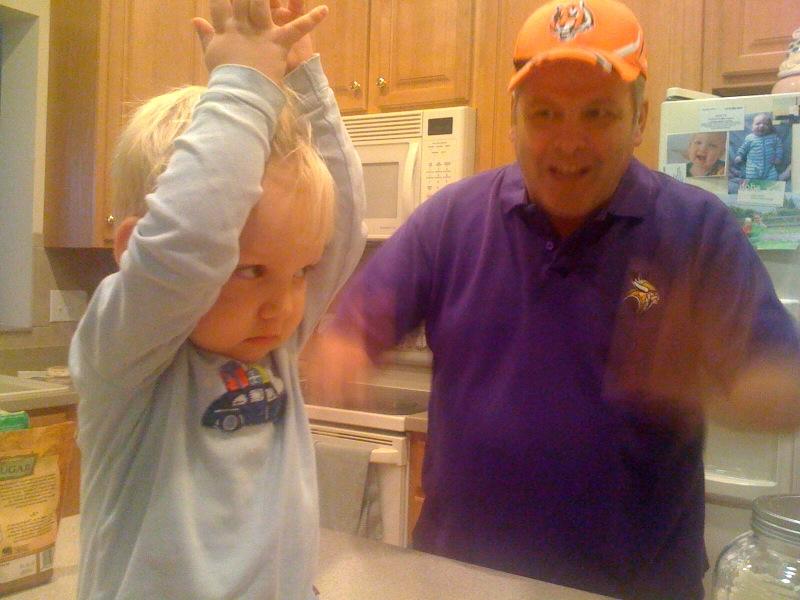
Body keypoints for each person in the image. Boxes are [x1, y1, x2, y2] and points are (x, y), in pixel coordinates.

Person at [309, 0, 800, 598]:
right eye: (545, 113)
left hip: (633, 589)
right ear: (514, 120)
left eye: (598, 113)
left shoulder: (698, 230)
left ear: (639, 120)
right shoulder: (450, 221)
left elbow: (786, 389)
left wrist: (711, 387)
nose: (569, 141)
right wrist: (341, 349)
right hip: (461, 581)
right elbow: (348, 332)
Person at [69, 1, 366, 598]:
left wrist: (299, 78)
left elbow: (341, 231)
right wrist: (243, 84)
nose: (284, 306)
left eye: (300, 273)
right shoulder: (128, 355)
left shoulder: (269, 343)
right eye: (250, 270)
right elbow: (191, 241)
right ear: (135, 251)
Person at [733, 112, 784, 180]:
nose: (762, 126)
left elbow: (779, 148)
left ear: (770, 128)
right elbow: (744, 148)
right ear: (752, 127)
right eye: (757, 124)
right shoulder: (750, 138)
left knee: (773, 178)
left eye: (766, 124)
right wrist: (740, 155)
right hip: (753, 167)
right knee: (751, 179)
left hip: (769, 167)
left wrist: (778, 158)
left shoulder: (774, 138)